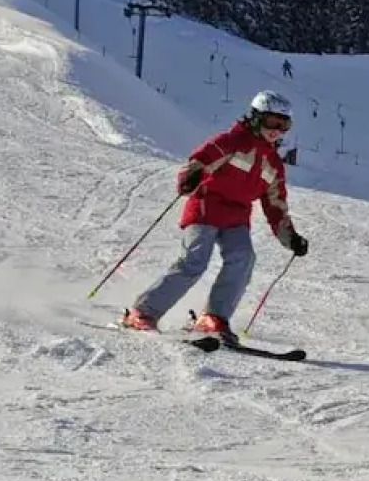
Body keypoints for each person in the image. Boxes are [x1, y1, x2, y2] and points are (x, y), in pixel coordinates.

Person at [121, 91, 309, 342]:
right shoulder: (232, 141)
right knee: (195, 260)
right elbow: (200, 160)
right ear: (255, 117)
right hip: (205, 207)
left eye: (284, 125)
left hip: (237, 217)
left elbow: (275, 204)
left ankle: (213, 317)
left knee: (243, 258)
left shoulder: (273, 163)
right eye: (271, 122)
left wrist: (290, 237)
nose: (277, 130)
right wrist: (190, 177)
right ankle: (142, 312)